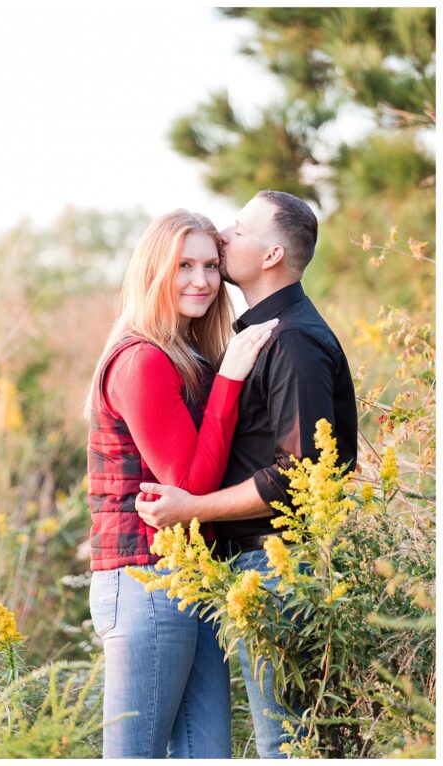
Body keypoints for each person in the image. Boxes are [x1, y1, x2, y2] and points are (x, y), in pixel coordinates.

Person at [135, 191, 358, 758]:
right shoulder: (258, 333)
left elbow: (300, 476)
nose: (224, 235)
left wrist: (192, 509)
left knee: (282, 742)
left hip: (281, 568)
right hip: (259, 568)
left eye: (239, 229)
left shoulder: (291, 340)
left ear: (272, 254)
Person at [85, 208, 277, 758]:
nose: (201, 280)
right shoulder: (143, 360)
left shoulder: (185, 354)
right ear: (154, 271)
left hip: (193, 577)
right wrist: (231, 378)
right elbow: (190, 483)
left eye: (211, 265)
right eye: (183, 265)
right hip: (147, 580)